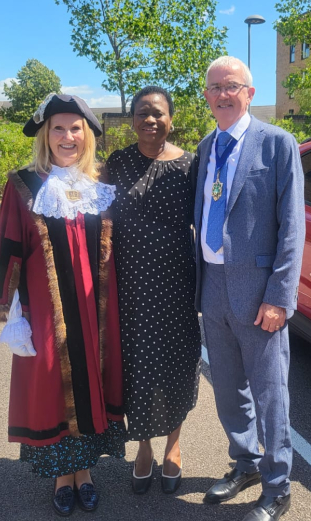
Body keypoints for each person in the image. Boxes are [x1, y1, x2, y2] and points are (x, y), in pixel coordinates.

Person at [0, 94, 126, 517]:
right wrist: (7, 308)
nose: (68, 136)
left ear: (88, 135)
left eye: (76, 128)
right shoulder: (24, 184)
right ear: (45, 135)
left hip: (95, 309)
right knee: (53, 387)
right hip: (47, 310)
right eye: (59, 128)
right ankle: (61, 477)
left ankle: (84, 472)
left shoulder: (99, 182)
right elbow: (9, 244)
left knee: (92, 383)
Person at [195, 56, 305, 521]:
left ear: (250, 93)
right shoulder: (205, 147)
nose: (223, 93)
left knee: (269, 393)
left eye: (232, 85)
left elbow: (293, 228)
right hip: (213, 287)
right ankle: (246, 462)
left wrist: (280, 297)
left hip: (259, 292)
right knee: (227, 388)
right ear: (206, 96)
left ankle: (278, 486)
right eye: (215, 87)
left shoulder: (278, 144)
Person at [106, 86, 201, 495]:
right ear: (131, 121)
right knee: (138, 369)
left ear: (171, 119)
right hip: (130, 287)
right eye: (142, 113)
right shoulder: (118, 162)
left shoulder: (191, 166)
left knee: (177, 365)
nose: (151, 119)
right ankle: (142, 446)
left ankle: (174, 445)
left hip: (177, 285)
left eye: (158, 113)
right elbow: (99, 218)